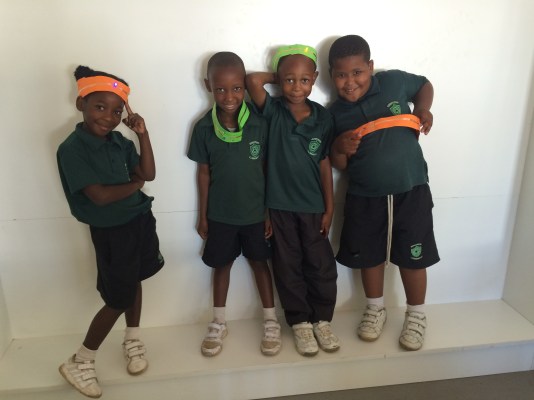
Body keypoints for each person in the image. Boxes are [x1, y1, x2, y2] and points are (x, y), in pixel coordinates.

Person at [57, 65, 164, 398]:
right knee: (118, 298)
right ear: (81, 104)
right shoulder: (73, 148)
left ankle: (132, 339)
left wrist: (142, 134)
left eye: (117, 111)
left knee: (135, 279)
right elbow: (100, 196)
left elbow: (148, 173)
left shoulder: (119, 141)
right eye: (100, 106)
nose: (108, 116)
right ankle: (81, 359)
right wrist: (135, 185)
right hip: (112, 232)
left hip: (138, 221)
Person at [328, 35, 440, 351]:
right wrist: (340, 148)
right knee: (370, 256)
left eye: (357, 72)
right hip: (365, 196)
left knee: (414, 256)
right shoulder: (334, 114)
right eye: (341, 75)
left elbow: (424, 85)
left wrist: (423, 109)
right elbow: (338, 165)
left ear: (371, 67)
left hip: (411, 189)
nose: (350, 82)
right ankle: (375, 308)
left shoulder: (392, 82)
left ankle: (416, 314)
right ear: (332, 75)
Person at [246, 44, 340, 357]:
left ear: (315, 79)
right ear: (279, 79)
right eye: (289, 80)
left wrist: (330, 207)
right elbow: (253, 81)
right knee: (287, 267)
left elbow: (325, 164)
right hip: (280, 208)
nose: (296, 87)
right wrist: (282, 75)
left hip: (314, 208)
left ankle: (322, 320)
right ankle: (299, 322)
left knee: (320, 265)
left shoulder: (323, 118)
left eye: (304, 80)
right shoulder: (273, 110)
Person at [187, 52, 281, 357]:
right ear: (208, 86)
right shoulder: (203, 128)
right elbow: (203, 173)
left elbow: (267, 169)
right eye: (220, 89)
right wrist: (203, 216)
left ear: (245, 86)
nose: (229, 97)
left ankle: (270, 320)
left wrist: (267, 211)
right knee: (221, 266)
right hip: (221, 215)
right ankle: (218, 322)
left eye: (237, 88)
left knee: (260, 264)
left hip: (255, 214)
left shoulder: (259, 123)